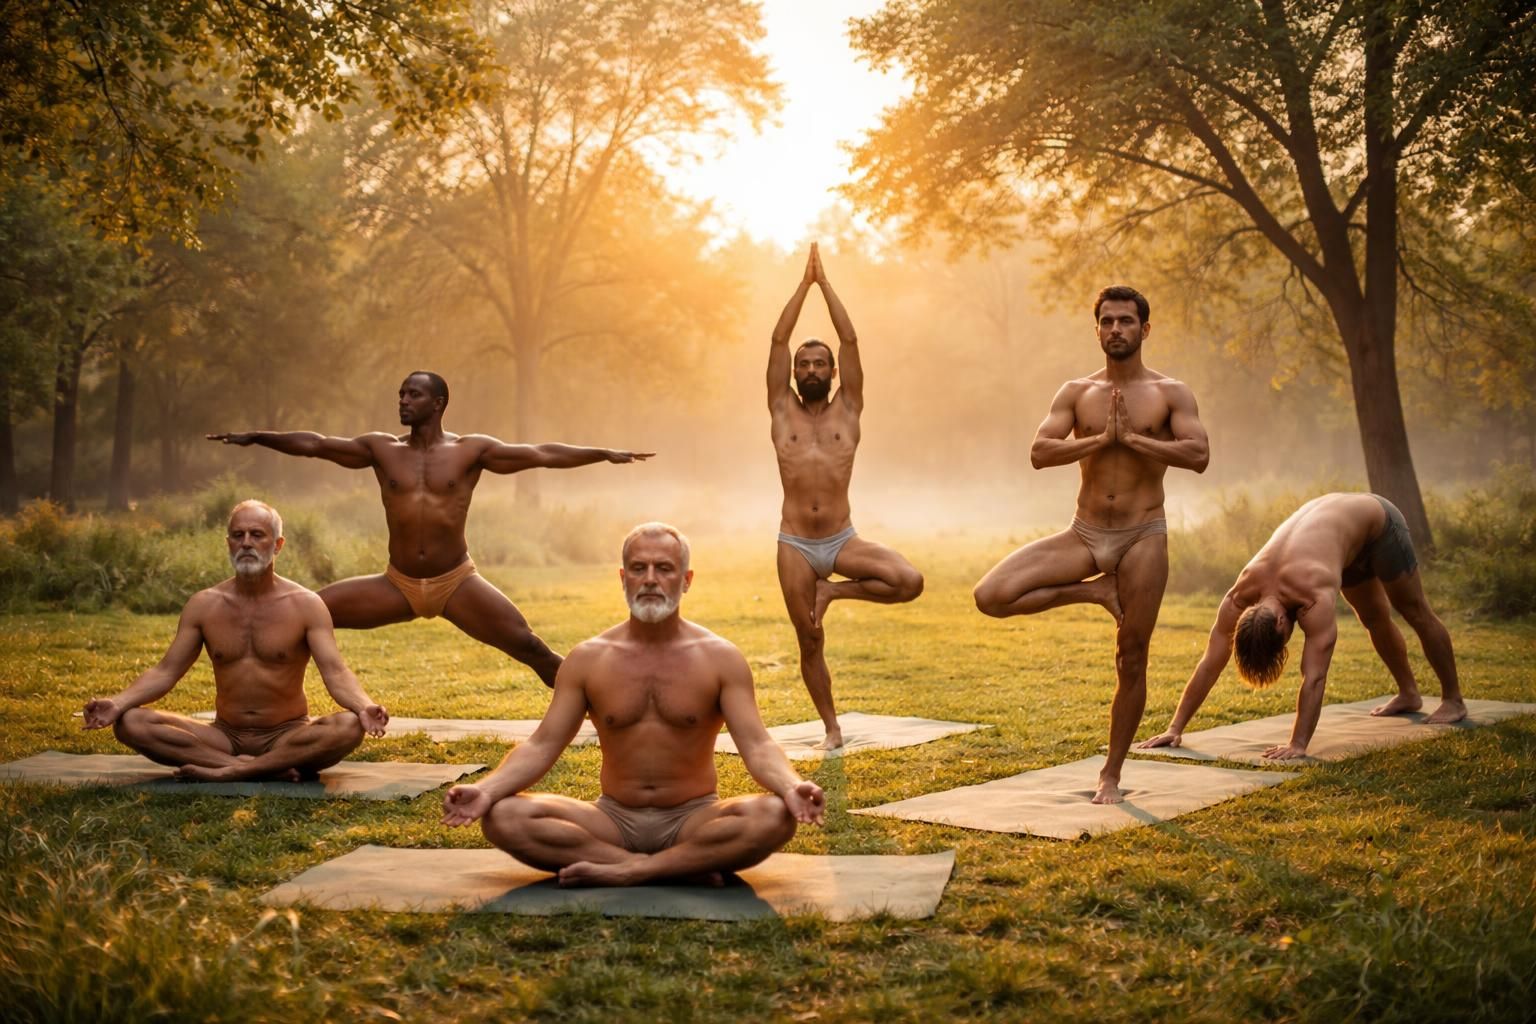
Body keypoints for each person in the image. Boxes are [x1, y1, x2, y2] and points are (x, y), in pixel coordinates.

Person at [208, 371, 653, 687]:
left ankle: (601, 714)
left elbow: (540, 453)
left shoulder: (471, 451)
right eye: (401, 394)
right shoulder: (381, 449)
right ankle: (270, 712)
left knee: (531, 649)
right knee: (304, 615)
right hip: (395, 583)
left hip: (456, 582)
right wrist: (257, 436)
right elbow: (317, 445)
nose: (403, 401)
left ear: (437, 403)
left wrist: (602, 453)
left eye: (413, 395)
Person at [441, 522, 825, 887]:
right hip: (611, 819)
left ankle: (629, 872)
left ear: (686, 580)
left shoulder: (720, 658)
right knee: (503, 816)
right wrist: (487, 790)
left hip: (693, 817)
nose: (651, 579)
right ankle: (668, 868)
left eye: (665, 568)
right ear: (623, 578)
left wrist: (791, 786)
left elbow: (757, 744)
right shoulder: (589, 658)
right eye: (638, 568)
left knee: (774, 816)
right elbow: (542, 744)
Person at [973, 286, 1209, 803]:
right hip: (1083, 533)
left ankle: (1111, 774)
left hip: (1142, 536)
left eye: (1126, 321)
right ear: (1096, 328)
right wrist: (1099, 440)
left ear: (1145, 329)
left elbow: (1198, 454)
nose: (1116, 329)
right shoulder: (1076, 392)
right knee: (991, 595)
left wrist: (1134, 439)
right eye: (1107, 321)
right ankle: (1097, 592)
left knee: (1131, 656)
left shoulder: (1172, 392)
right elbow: (1040, 452)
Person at [1138, 492, 1467, 759]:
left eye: (1283, 640)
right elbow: (1210, 662)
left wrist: (1298, 743)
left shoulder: (1311, 595)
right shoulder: (1239, 596)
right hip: (1338, 538)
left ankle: (1453, 699)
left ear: (1281, 620)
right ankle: (1410, 694)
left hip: (1378, 522)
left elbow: (1315, 677)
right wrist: (1175, 727)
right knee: (1373, 619)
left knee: (1414, 610)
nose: (1289, 641)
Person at [81, 500, 388, 781]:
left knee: (348, 727)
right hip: (224, 736)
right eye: (237, 535)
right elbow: (166, 671)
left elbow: (335, 672)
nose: (246, 543)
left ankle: (238, 770)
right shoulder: (204, 604)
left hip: (287, 735)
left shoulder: (306, 604)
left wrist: (364, 706)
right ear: (228, 542)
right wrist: (117, 703)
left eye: (257, 535)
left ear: (278, 545)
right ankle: (255, 769)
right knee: (131, 722)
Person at [767, 244, 924, 750]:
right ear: (794, 373)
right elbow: (777, 338)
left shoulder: (849, 409)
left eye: (821, 364)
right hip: (794, 544)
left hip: (841, 539)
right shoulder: (780, 410)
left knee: (909, 581)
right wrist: (802, 284)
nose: (811, 370)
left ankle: (831, 592)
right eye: (804, 364)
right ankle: (832, 727)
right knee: (809, 638)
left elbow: (851, 338)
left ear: (833, 373)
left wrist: (825, 284)